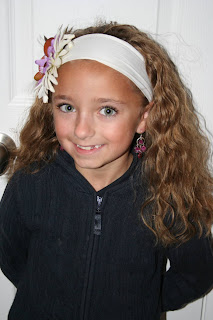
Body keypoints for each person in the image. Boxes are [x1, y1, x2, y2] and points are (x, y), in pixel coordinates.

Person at [0, 21, 213, 320]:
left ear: (144, 117)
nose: (82, 130)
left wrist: (149, 300)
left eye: (107, 110)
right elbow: (9, 252)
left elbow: (197, 273)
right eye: (67, 107)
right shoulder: (31, 180)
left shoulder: (167, 193)